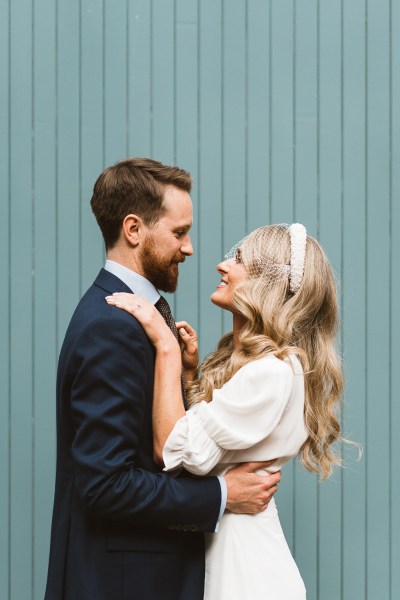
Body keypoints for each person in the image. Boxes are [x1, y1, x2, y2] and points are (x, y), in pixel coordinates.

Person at [44, 158, 281, 600]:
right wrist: (222, 494)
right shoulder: (111, 327)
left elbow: (157, 443)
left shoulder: (132, 317)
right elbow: (105, 485)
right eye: (178, 232)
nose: (189, 248)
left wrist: (185, 375)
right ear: (134, 230)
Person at [106, 222, 346, 599]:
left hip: (246, 574)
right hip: (233, 554)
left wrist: (166, 351)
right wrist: (188, 376)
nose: (222, 266)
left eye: (238, 259)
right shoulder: (271, 369)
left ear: (265, 284)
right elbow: (208, 443)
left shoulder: (270, 373)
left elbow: (172, 447)